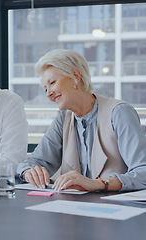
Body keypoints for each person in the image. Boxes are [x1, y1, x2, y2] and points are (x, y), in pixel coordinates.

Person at [17, 49, 146, 192]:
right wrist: (28, 171)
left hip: (116, 208)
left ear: (76, 76)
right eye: (45, 89)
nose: (48, 94)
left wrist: (100, 183)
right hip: (74, 209)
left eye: (52, 82)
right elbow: (34, 161)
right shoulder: (64, 118)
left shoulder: (119, 113)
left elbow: (143, 172)